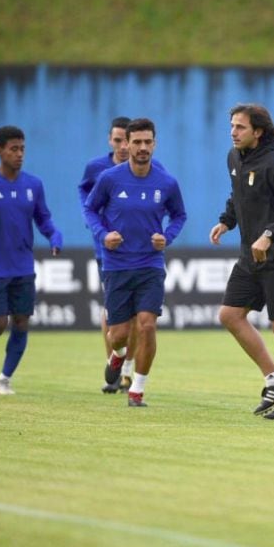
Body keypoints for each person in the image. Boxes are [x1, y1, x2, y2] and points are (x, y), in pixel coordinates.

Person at [210, 103, 274, 420]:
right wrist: (227, 220)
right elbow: (237, 192)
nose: (233, 132)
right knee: (229, 315)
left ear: (258, 131)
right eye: (232, 126)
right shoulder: (234, 158)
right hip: (250, 257)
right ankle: (273, 378)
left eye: (240, 127)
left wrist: (269, 234)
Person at [82, 118, 187, 407]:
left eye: (147, 142)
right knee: (119, 335)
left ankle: (137, 389)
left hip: (150, 264)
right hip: (116, 265)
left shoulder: (166, 182)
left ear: (154, 143)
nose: (142, 147)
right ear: (126, 144)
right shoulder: (110, 178)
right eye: (136, 142)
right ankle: (117, 356)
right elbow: (90, 209)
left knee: (147, 325)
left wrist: (166, 237)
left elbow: (179, 215)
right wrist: (103, 235)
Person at [0, 125, 63, 395]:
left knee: (21, 322)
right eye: (13, 149)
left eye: (22, 149)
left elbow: (43, 219)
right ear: (0, 151)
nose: (19, 154)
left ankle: (5, 379)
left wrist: (54, 236)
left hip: (23, 266)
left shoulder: (33, 184)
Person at [78, 116, 139, 393]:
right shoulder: (97, 169)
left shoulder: (145, 167)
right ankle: (112, 364)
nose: (124, 146)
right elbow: (85, 197)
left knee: (139, 314)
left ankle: (127, 369)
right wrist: (97, 228)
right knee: (112, 309)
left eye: (127, 140)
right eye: (118, 140)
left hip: (140, 250)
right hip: (109, 250)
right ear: (110, 140)